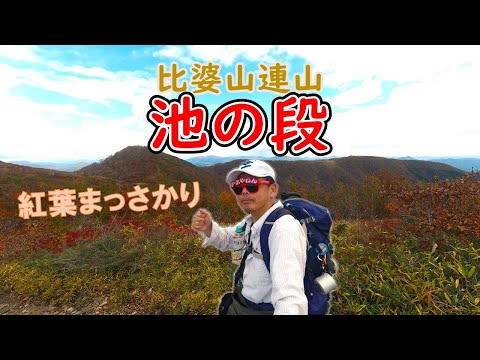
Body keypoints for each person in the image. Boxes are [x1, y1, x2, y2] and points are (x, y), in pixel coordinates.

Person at [191, 160, 308, 315]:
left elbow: (290, 299)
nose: (244, 191)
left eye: (252, 185)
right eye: (238, 187)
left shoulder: (283, 229)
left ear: (272, 190)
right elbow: (231, 239)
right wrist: (209, 228)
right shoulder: (252, 221)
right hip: (241, 304)